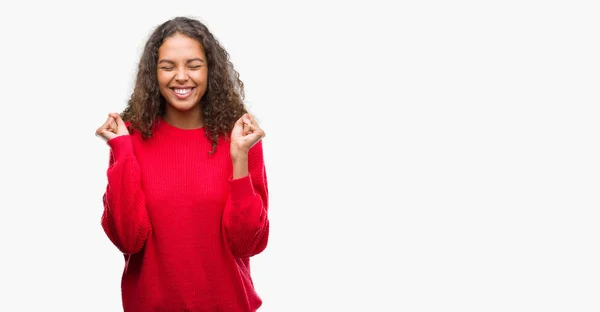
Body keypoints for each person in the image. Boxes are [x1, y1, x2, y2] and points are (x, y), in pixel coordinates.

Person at [95, 16, 269, 312]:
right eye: (167, 66)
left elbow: (248, 245)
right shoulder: (131, 138)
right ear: (153, 74)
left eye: (193, 65)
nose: (181, 76)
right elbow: (127, 239)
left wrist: (239, 159)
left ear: (210, 71)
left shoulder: (239, 136)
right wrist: (122, 151)